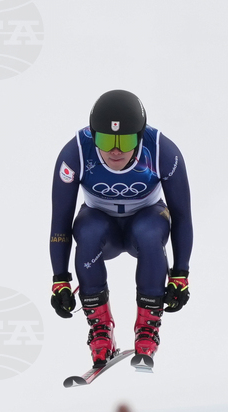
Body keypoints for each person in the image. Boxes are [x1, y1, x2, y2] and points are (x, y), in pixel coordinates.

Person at [48, 89, 193, 368]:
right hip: (102, 227)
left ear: (140, 137)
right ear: (93, 135)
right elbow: (60, 223)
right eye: (105, 139)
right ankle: (101, 331)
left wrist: (181, 274)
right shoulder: (75, 152)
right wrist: (59, 280)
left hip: (147, 219)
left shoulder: (162, 150)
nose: (115, 150)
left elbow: (183, 216)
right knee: (87, 230)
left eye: (125, 141)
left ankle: (147, 329)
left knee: (149, 233)